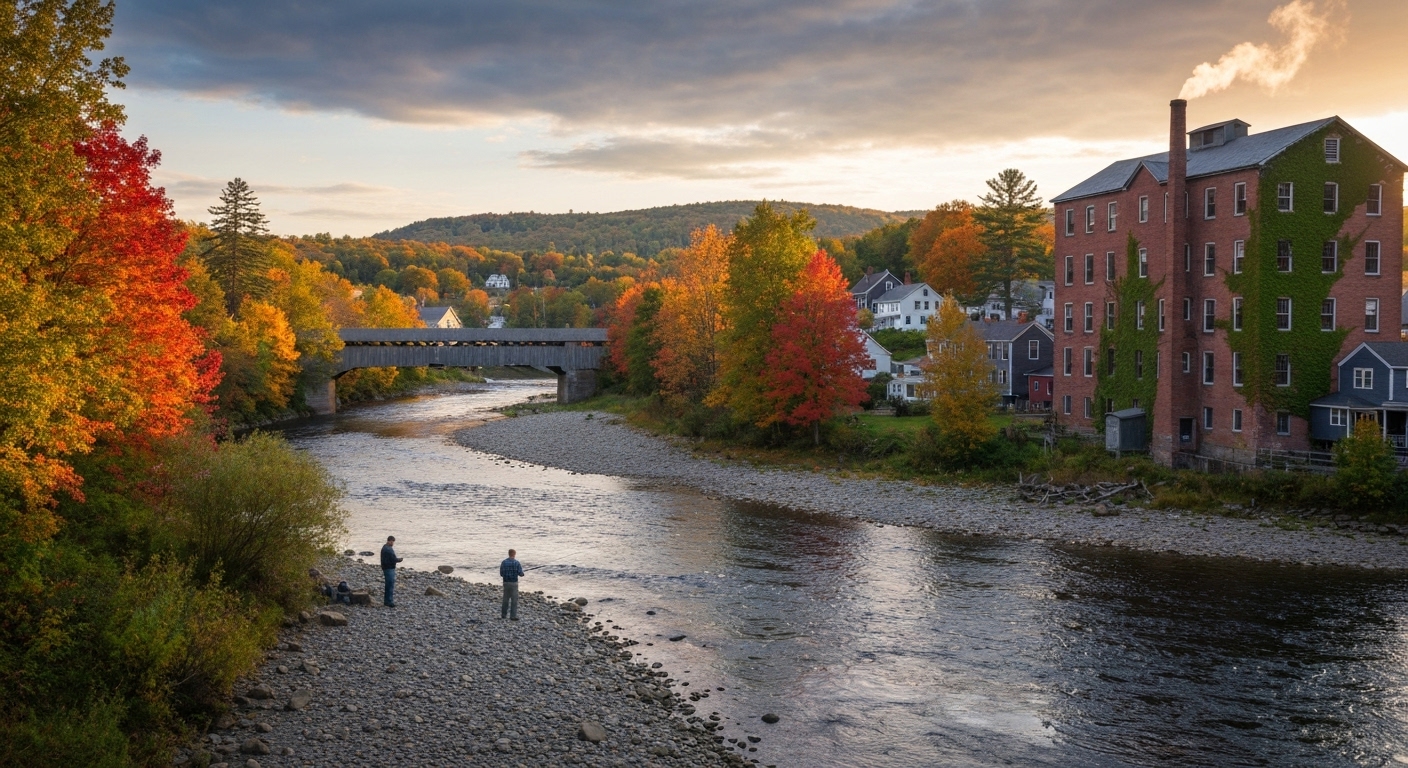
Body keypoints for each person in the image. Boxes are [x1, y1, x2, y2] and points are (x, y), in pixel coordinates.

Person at [500, 548, 524, 620]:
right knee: (514, 600)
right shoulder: (517, 563)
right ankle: (512, 616)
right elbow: (520, 574)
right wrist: (522, 573)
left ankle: (503, 615)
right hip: (514, 583)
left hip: (506, 582)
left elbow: (501, 574)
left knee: (505, 599)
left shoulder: (504, 562)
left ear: (509, 554)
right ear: (514, 554)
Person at [381, 536, 402, 607]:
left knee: (388, 585)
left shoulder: (384, 547)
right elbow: (393, 559)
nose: (393, 543)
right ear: (389, 541)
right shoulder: (388, 549)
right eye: (392, 541)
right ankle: (389, 601)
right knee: (390, 585)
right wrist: (399, 560)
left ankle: (387, 601)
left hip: (386, 568)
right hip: (389, 568)